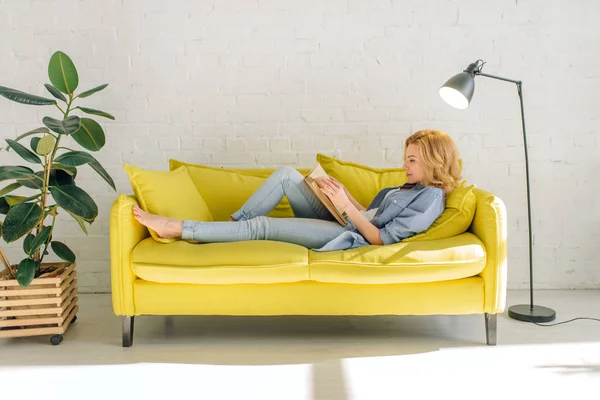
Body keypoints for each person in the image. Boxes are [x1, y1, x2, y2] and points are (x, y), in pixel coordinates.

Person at [132, 130, 462, 251]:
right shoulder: (412, 186)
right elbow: (369, 214)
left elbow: (379, 238)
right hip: (348, 220)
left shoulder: (430, 198)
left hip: (350, 235)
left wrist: (345, 209)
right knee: (288, 176)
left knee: (263, 227)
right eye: (406, 158)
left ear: (434, 162)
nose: (405, 165)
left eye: (412, 160)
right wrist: (343, 196)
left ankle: (177, 227)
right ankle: (233, 226)